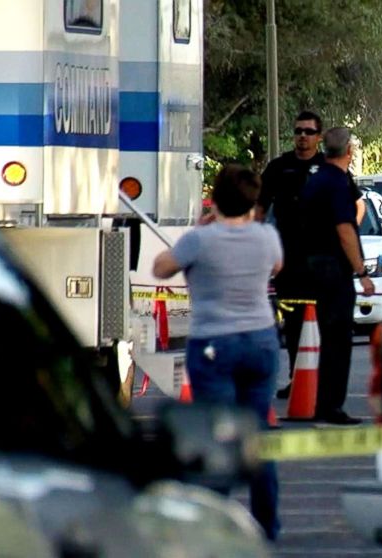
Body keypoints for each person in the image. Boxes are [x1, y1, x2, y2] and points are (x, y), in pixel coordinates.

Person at [152, 165, 283, 541]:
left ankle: (214, 525)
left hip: (213, 341)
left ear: (215, 199)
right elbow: (277, 266)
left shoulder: (200, 240)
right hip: (260, 338)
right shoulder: (267, 236)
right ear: (253, 201)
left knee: (217, 436)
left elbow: (161, 268)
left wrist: (201, 227)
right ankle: (267, 525)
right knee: (259, 433)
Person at [298, 127, 375, 425]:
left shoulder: (315, 180)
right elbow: (345, 229)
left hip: (314, 263)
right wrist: (362, 271)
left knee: (328, 337)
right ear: (349, 152)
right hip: (333, 268)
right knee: (338, 339)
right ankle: (331, 406)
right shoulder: (339, 182)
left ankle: (323, 403)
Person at [258, 111, 326, 399]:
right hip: (289, 258)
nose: (303, 136)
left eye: (309, 132)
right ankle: (298, 378)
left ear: (318, 137)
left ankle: (322, 381)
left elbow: (354, 205)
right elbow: (260, 208)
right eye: (299, 131)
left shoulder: (328, 167)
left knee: (322, 321)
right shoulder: (278, 167)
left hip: (322, 259)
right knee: (295, 322)